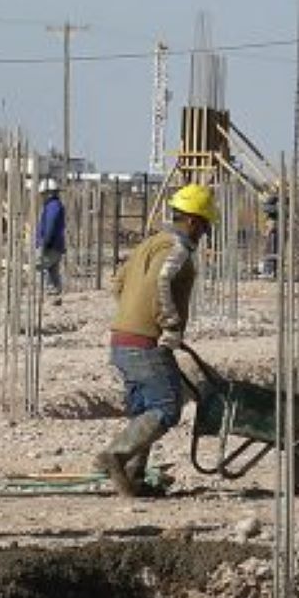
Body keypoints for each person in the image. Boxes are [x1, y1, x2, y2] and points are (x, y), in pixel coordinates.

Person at [96, 183, 216, 498]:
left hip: (122, 339)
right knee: (166, 406)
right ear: (192, 221)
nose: (204, 233)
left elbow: (118, 282)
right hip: (144, 342)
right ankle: (117, 455)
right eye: (204, 225)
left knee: (143, 410)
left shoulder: (149, 243)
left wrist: (131, 314)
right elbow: (163, 281)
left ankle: (132, 477)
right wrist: (170, 324)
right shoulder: (178, 249)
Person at [35, 186, 67, 295]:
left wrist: (45, 243)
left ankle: (51, 290)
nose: (42, 196)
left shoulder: (53, 207)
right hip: (55, 244)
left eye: (43, 194)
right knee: (52, 270)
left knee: (42, 266)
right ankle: (55, 292)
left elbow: (50, 225)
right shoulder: (53, 206)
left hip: (51, 244)